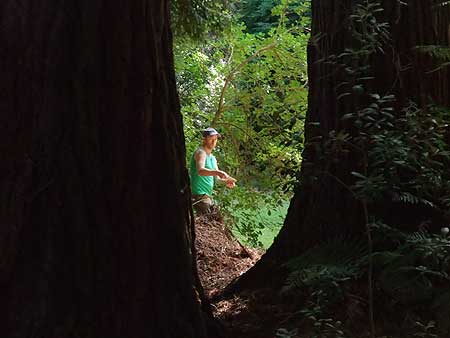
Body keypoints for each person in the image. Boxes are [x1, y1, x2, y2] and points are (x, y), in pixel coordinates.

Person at [189, 127, 236, 214]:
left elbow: (217, 180)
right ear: (204, 139)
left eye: (215, 138)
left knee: (214, 218)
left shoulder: (213, 158)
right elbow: (200, 171)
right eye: (211, 138)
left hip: (207, 196)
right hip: (198, 195)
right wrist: (218, 172)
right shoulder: (201, 153)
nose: (214, 141)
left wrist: (227, 181)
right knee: (209, 220)